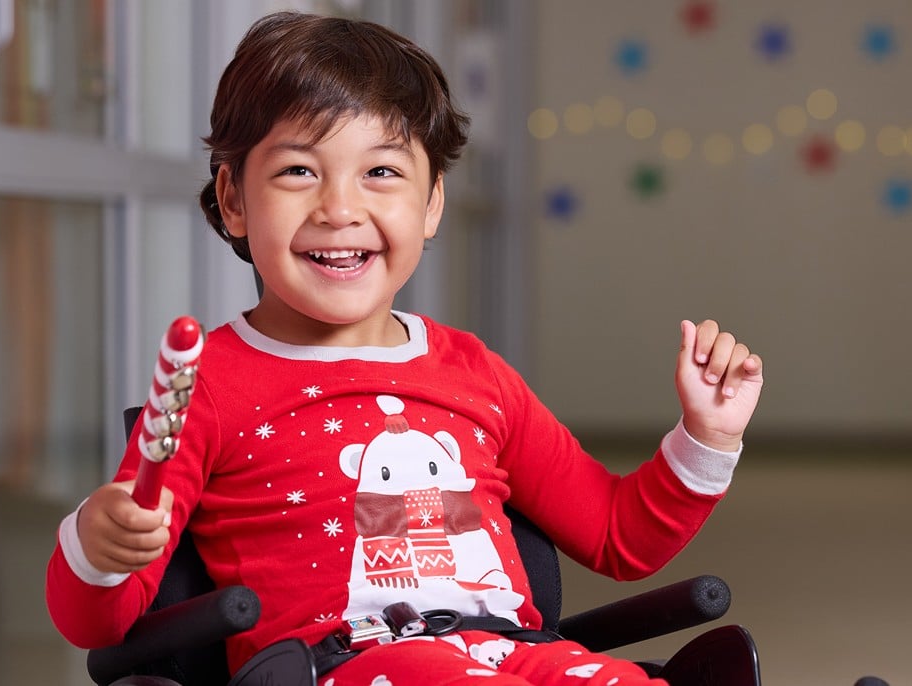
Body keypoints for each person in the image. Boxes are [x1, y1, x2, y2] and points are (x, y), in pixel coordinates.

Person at [46, 11, 764, 686]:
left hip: (517, 654)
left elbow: (619, 535)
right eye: (298, 170)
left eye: (381, 172)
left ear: (431, 204)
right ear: (233, 199)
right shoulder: (207, 388)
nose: (339, 207)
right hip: (350, 664)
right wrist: (94, 547)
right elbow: (99, 624)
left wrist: (707, 436)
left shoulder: (473, 372)